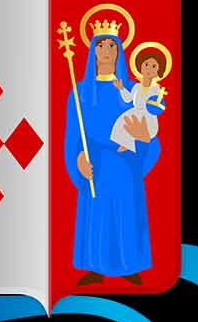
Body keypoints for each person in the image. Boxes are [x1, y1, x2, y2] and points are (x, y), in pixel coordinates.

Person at [68, 15, 165, 281]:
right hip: (96, 164)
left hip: (125, 164)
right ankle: (94, 266)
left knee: (126, 213)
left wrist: (143, 138)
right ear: (93, 50)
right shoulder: (80, 92)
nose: (106, 51)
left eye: (112, 45)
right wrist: (78, 159)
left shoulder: (135, 90)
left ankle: (129, 266)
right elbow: (73, 136)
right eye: (101, 45)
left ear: (120, 51)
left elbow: (152, 137)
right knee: (97, 213)